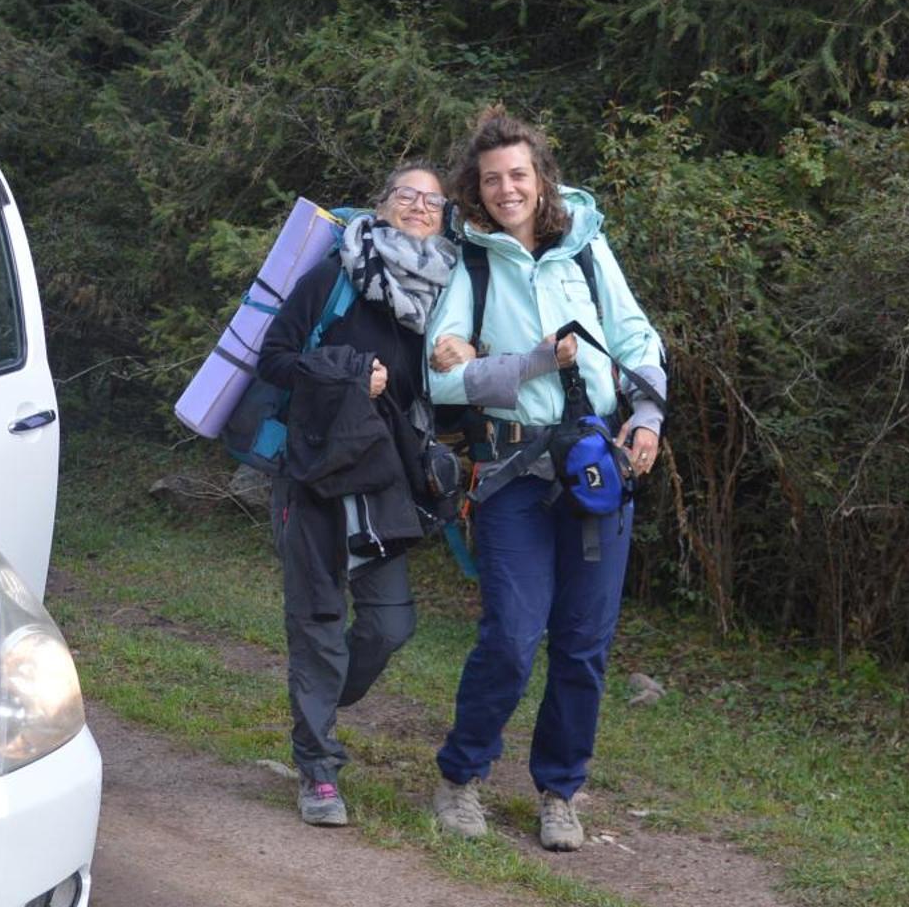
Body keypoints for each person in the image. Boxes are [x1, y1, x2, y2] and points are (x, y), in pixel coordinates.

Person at [422, 107, 666, 851]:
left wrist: (648, 416)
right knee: (512, 635)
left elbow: (636, 339)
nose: (507, 189)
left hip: (597, 471)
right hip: (513, 474)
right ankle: (461, 777)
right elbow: (444, 378)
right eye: (492, 179)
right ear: (477, 187)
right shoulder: (469, 262)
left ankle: (560, 791)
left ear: (541, 178)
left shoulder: (588, 252)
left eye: (519, 175)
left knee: (585, 642)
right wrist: (529, 360)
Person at [258, 163, 457, 827]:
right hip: (313, 470)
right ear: (384, 204)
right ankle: (317, 769)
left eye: (432, 199)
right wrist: (347, 371)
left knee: (389, 625)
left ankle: (318, 699)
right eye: (408, 195)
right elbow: (275, 357)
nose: (420, 206)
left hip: (383, 480)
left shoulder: (447, 297)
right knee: (316, 622)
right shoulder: (337, 275)